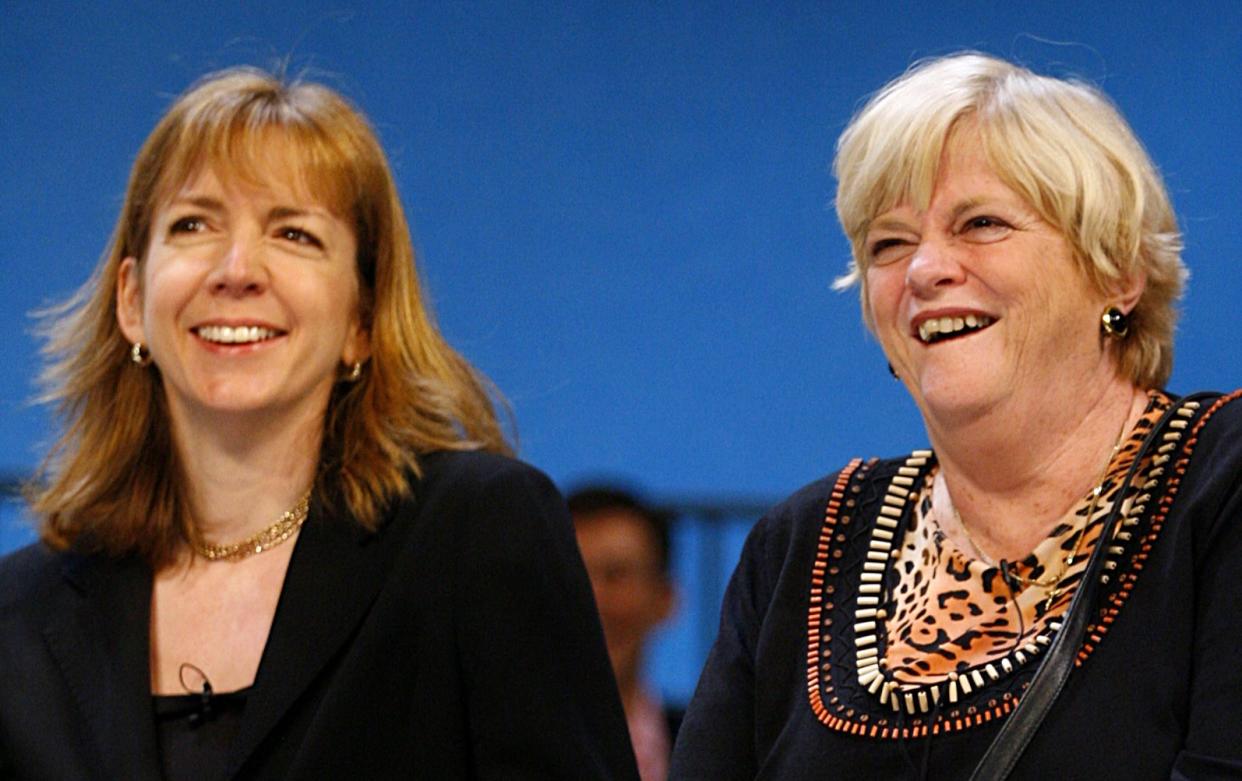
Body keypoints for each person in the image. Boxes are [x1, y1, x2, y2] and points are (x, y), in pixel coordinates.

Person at [0, 68, 638, 780]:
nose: (237, 269)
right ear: (131, 300)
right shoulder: (21, 612)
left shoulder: (477, 533)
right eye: (194, 224)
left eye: (294, 233)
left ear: (361, 320)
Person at [670, 52, 1242, 780]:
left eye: (980, 222)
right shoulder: (799, 549)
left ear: (1117, 272)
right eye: (889, 243)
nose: (923, 269)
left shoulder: (1222, 484)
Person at [568, 486, 679, 781]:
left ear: (665, 599)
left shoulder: (719, 753)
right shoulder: (485, 750)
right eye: (572, 576)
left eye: (616, 575)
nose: (592, 600)